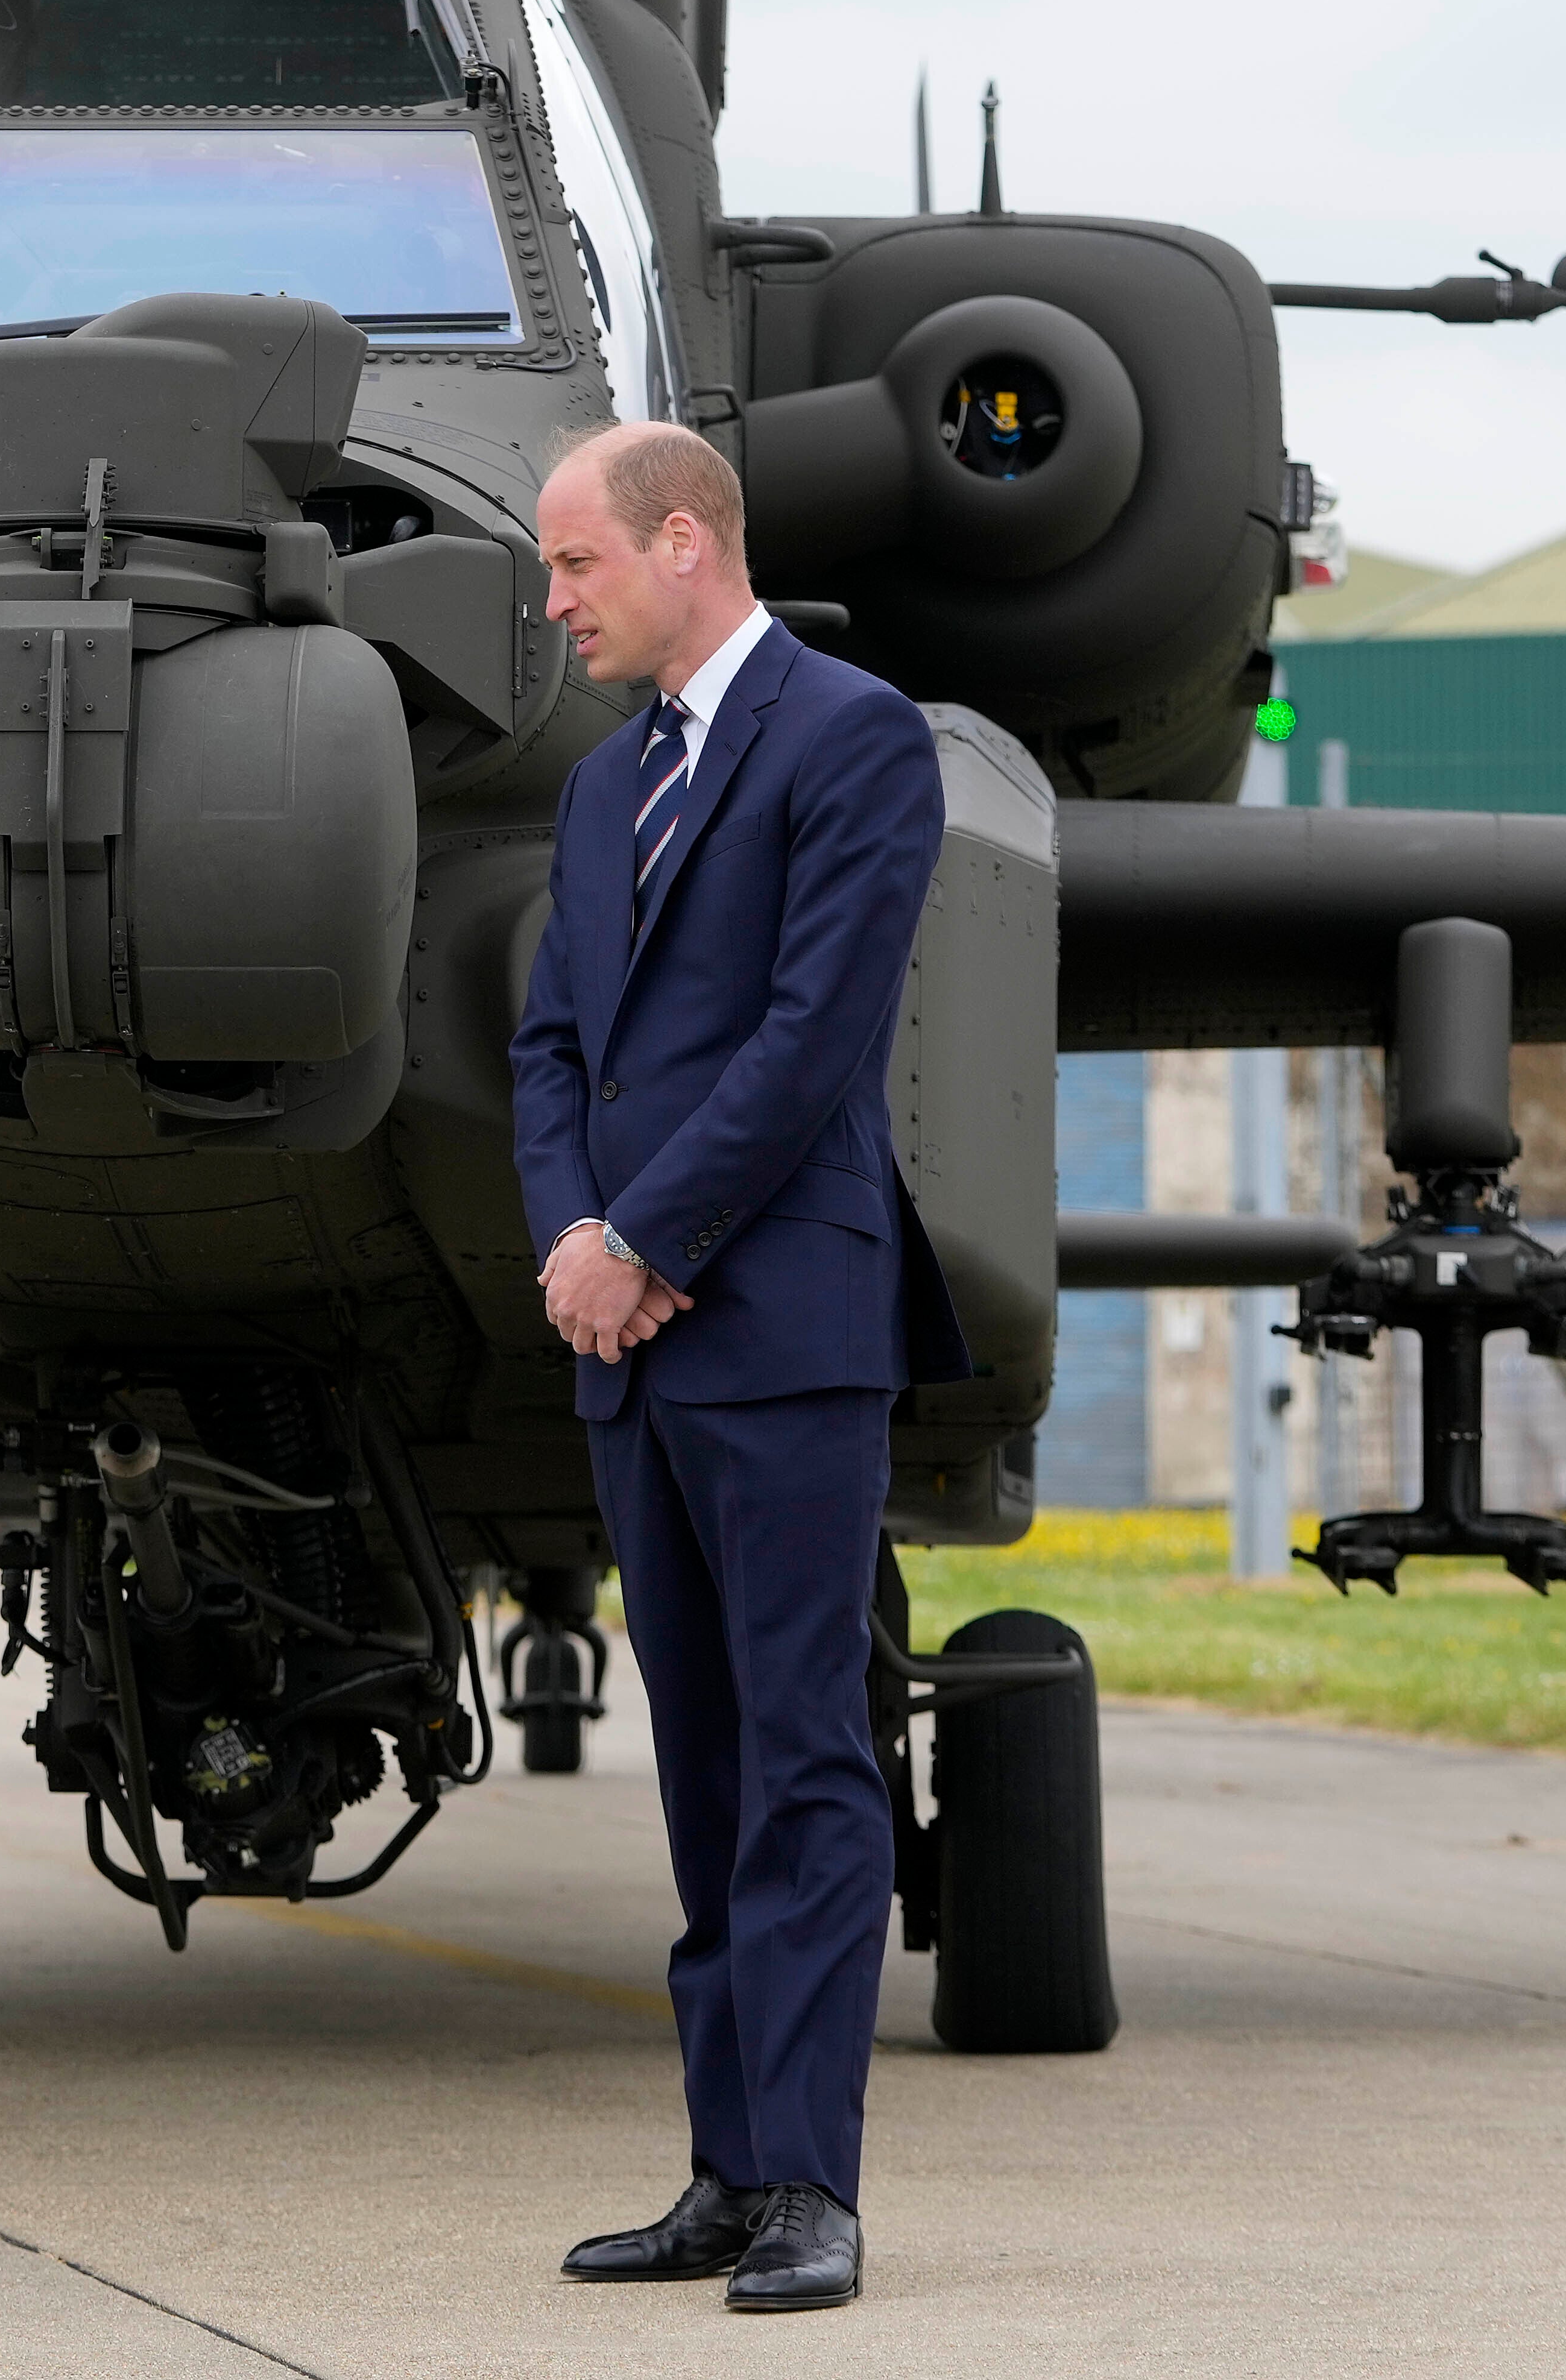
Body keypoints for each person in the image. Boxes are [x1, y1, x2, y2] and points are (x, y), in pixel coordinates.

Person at [507, 421, 965, 2317]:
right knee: (701, 1767)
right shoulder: (601, 784)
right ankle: (723, 2167)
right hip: (632, 1341)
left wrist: (646, 1241)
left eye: (575, 565)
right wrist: (574, 1243)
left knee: (803, 1755)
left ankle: (811, 2191)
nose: (554, 603)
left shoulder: (853, 738)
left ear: (683, 541)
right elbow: (552, 1045)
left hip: (777, 1331)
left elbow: (809, 1035)